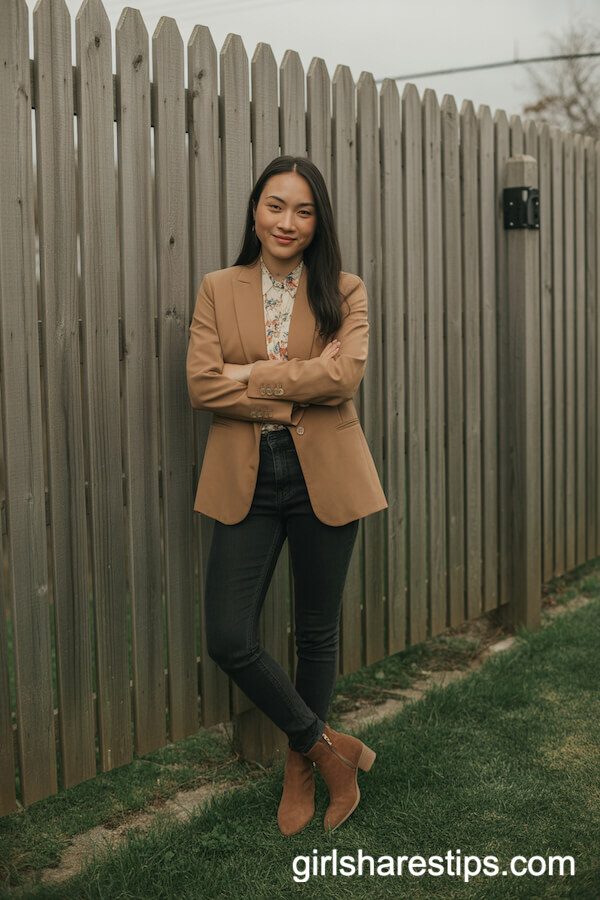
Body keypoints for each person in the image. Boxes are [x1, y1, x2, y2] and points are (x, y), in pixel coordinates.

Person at [186, 155, 388, 834]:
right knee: (228, 635)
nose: (287, 222)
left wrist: (250, 375)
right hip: (246, 477)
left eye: (303, 211)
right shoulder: (218, 288)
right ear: (255, 211)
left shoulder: (345, 290)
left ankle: (301, 771)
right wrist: (295, 387)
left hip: (325, 475)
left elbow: (344, 377)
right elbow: (202, 385)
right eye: (276, 206)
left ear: (317, 222)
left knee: (316, 631)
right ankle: (328, 752)